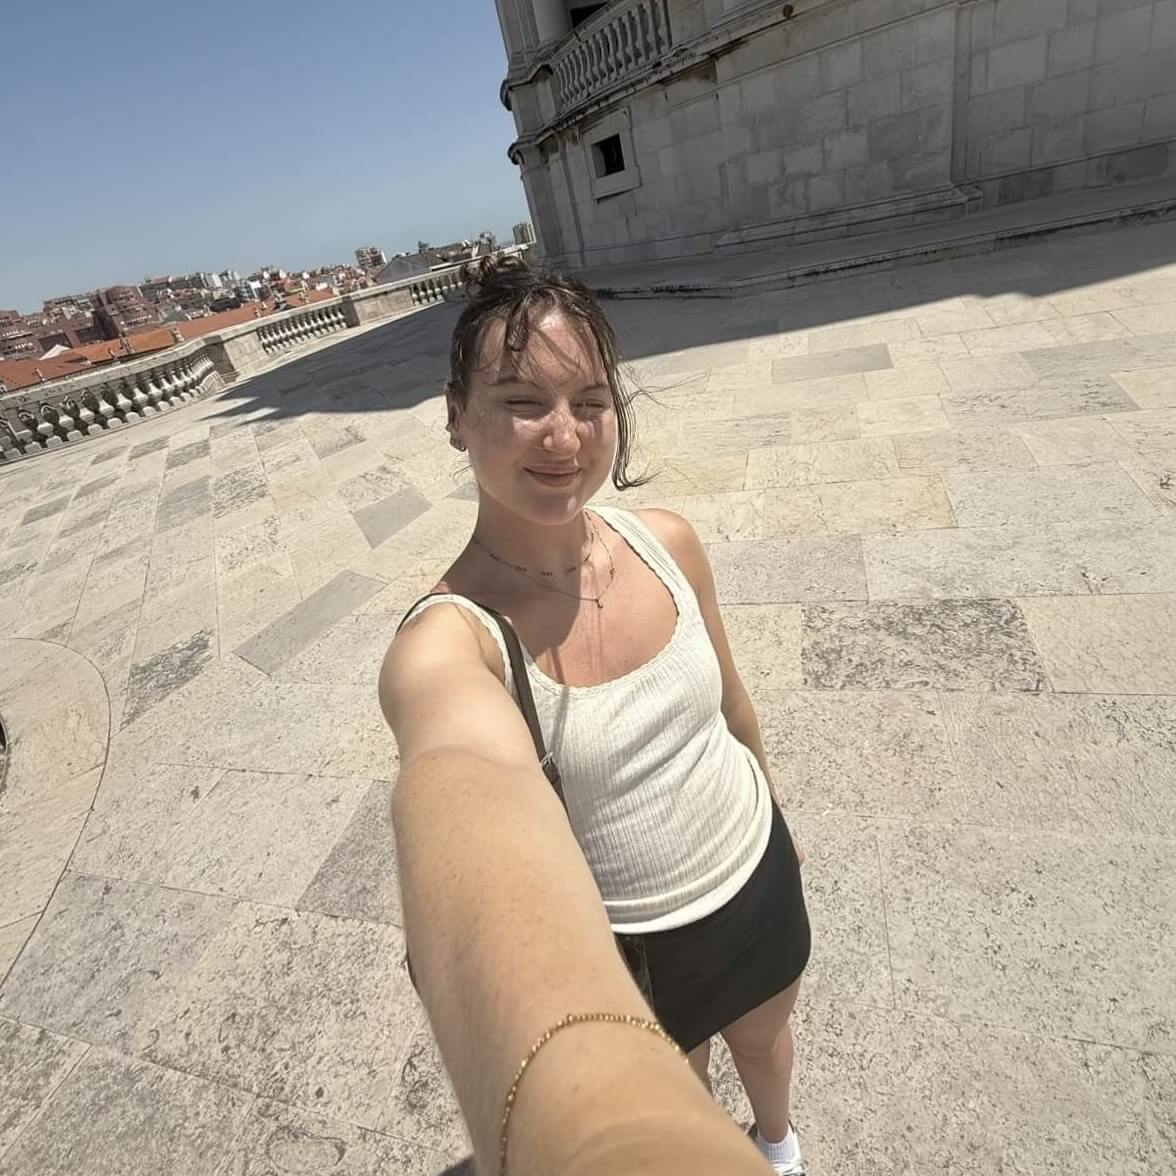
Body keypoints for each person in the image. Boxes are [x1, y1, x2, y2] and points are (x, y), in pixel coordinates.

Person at [380, 255, 811, 1174]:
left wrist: (777, 816)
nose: (564, 435)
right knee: (681, 1087)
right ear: (455, 417)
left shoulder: (668, 542)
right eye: (521, 401)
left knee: (767, 1040)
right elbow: (460, 780)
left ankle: (780, 1146)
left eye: (589, 400)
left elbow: (733, 707)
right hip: (633, 952)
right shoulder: (451, 642)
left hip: (754, 870)